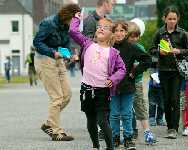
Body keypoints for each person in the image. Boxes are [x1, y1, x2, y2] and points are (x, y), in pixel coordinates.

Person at [69, 14, 126, 150]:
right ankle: (95, 145)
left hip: (102, 91)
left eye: (105, 27)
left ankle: (110, 147)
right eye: (99, 26)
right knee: (90, 120)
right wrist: (76, 18)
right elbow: (73, 31)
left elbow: (122, 69)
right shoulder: (87, 43)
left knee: (102, 120)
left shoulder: (113, 52)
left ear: (111, 34)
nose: (101, 29)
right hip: (86, 90)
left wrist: (113, 79)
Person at [33, 4, 81, 141]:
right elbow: (37, 42)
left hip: (58, 60)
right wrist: (52, 52)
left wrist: (69, 54)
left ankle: (49, 124)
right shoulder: (48, 23)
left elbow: (65, 44)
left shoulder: (66, 26)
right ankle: (55, 132)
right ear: (69, 15)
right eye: (76, 18)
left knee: (67, 95)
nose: (76, 22)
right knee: (57, 97)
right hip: (45, 61)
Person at [149, 6, 188, 139]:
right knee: (166, 99)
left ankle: (174, 128)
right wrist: (159, 52)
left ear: (177, 19)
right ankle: (170, 127)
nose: (172, 21)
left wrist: (179, 51)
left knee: (175, 98)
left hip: (177, 71)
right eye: (169, 19)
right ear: (164, 19)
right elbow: (151, 49)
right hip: (163, 70)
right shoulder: (159, 33)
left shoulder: (182, 33)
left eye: (174, 18)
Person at [110, 20, 151, 149]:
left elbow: (147, 59)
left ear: (126, 33)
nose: (118, 33)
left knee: (127, 114)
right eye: (116, 31)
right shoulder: (108, 47)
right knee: (114, 114)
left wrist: (135, 72)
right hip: (112, 86)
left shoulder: (132, 47)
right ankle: (115, 137)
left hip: (128, 86)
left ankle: (128, 138)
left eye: (121, 31)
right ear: (112, 33)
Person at [127, 22, 156, 144]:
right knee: (126, 109)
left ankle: (147, 131)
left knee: (140, 107)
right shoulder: (123, 48)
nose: (133, 39)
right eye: (131, 36)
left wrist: (135, 66)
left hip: (137, 82)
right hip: (124, 83)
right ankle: (129, 132)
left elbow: (145, 62)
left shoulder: (140, 48)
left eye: (136, 36)